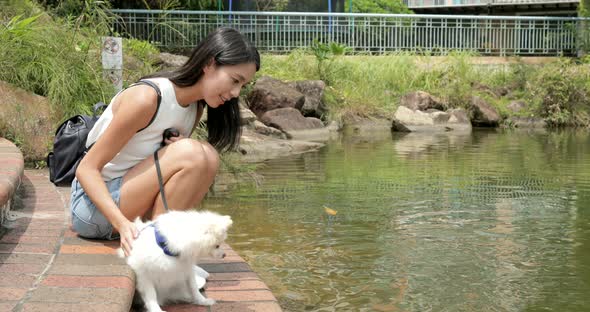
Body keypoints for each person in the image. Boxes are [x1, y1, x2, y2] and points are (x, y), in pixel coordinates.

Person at [70, 27, 260, 256]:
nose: (236, 92)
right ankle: (160, 251)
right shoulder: (148, 98)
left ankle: (165, 251)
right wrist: (121, 224)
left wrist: (174, 151)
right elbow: (86, 169)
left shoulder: (194, 108)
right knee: (195, 153)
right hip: (92, 209)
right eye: (234, 80)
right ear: (210, 64)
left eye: (242, 86)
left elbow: (173, 185)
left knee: (208, 156)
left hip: (132, 203)